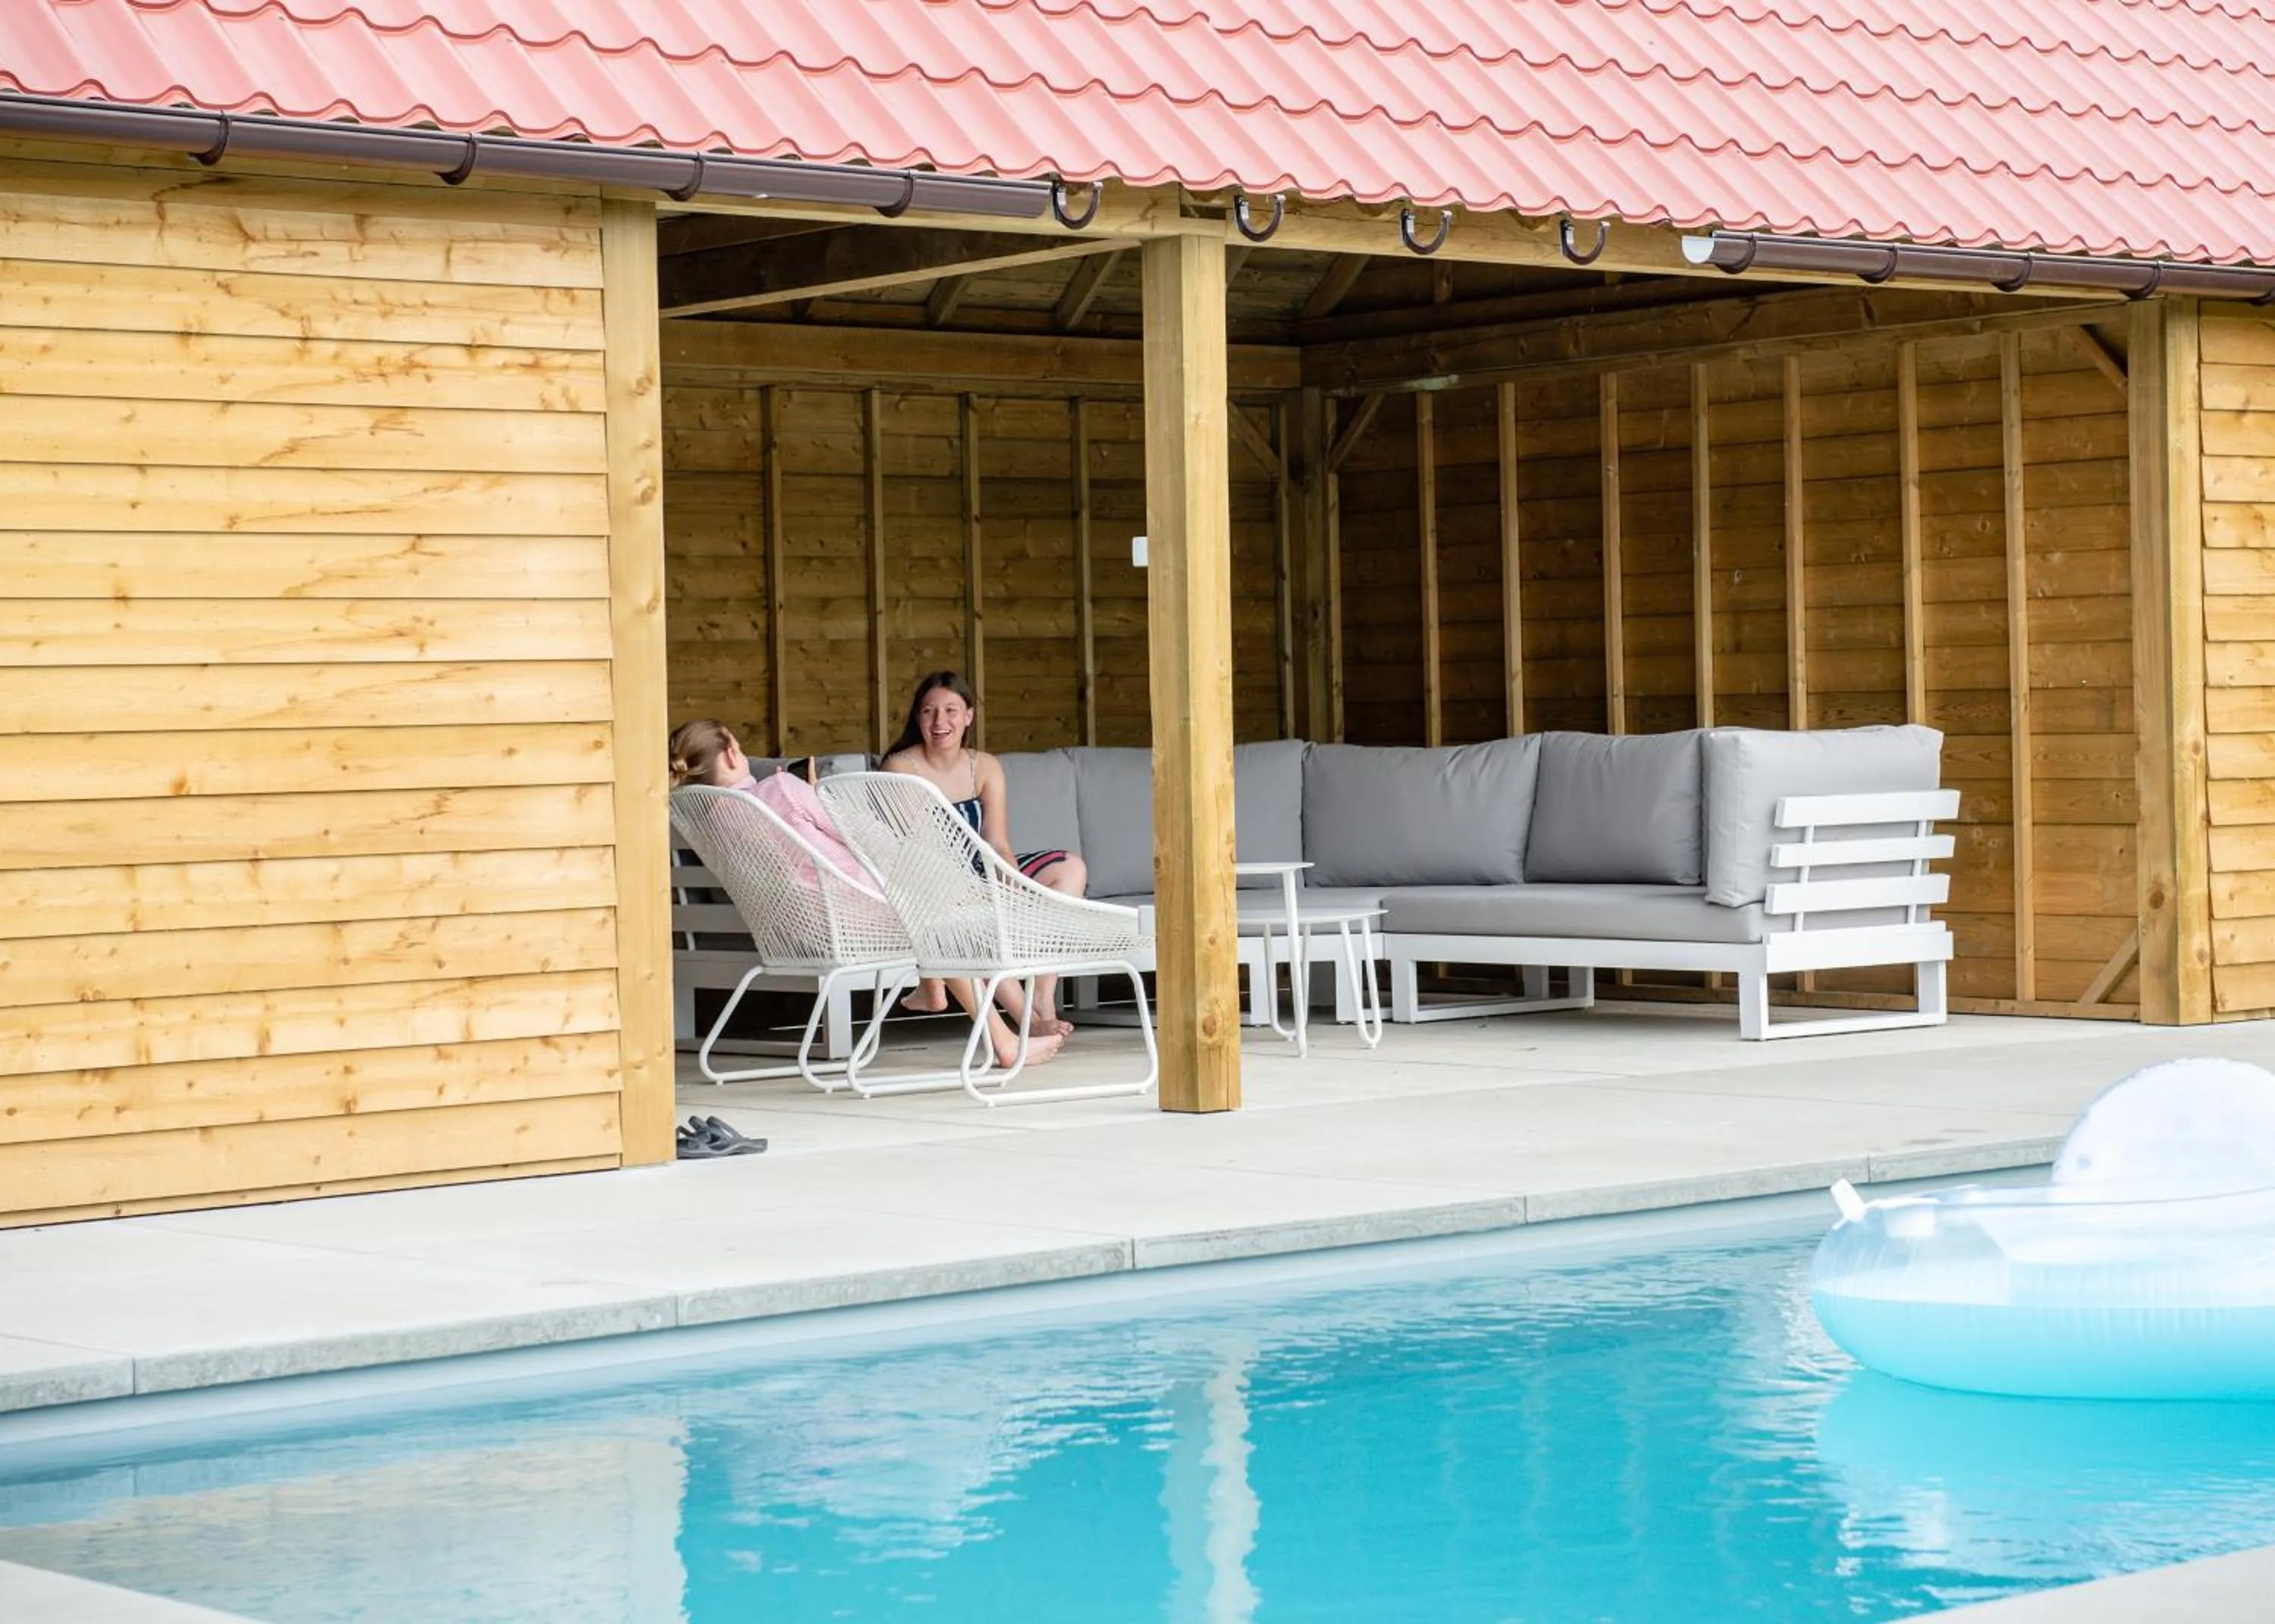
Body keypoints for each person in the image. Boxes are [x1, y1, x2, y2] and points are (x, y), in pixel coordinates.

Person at [667, 716, 1058, 1068]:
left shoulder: (707, 822)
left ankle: (968, 1002)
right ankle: (1005, 1039)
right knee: (939, 917)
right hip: (851, 917)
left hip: (797, 930)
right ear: (732, 753)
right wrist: (818, 798)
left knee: (932, 912)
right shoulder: (781, 789)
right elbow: (855, 835)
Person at [882, 672, 1090, 1039]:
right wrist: (980, 894)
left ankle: (1042, 996)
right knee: (964, 914)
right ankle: (1028, 1020)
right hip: (932, 880)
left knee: (1070, 868)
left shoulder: (985, 766)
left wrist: (1006, 882)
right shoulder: (900, 768)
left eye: (950, 710)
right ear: (917, 718)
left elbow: (996, 840)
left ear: (968, 716)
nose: (939, 722)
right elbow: (917, 851)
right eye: (928, 711)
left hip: (981, 867)